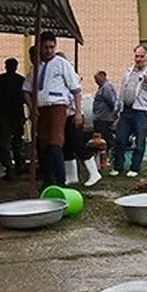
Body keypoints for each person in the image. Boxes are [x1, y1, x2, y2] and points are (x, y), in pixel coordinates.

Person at [23, 32, 84, 188]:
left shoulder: (62, 64)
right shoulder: (35, 68)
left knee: (54, 143)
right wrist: (31, 108)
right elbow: (26, 90)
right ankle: (48, 181)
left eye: (52, 47)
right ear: (39, 48)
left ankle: (60, 181)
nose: (49, 51)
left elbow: (76, 89)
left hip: (57, 107)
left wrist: (78, 112)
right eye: (45, 48)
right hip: (40, 110)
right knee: (43, 146)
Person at [111, 45, 147, 177]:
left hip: (141, 111)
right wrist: (117, 107)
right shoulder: (129, 71)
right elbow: (122, 90)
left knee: (139, 140)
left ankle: (135, 168)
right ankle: (118, 167)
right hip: (126, 110)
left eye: (141, 56)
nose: (138, 59)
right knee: (120, 139)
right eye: (136, 56)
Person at [0, 58, 27, 176]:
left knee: (5, 142)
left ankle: (9, 167)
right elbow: (25, 98)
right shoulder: (21, 80)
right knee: (17, 141)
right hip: (17, 114)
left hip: (4, 115)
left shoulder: (0, 79)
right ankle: (19, 165)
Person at [92, 70, 118, 154]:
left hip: (104, 118)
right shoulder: (102, 87)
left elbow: (111, 101)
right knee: (102, 137)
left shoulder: (106, 87)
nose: (96, 81)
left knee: (105, 138)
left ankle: (108, 154)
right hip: (100, 117)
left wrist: (113, 113)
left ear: (102, 76)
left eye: (97, 79)